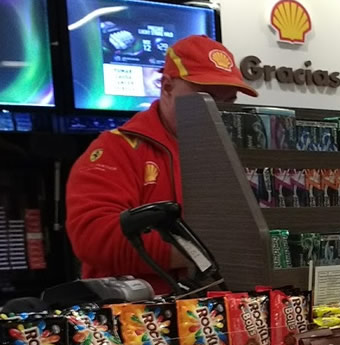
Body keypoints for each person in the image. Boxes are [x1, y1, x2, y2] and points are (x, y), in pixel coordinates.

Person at [66, 35, 257, 294]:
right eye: (208, 99)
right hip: (137, 314)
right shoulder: (116, 149)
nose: (219, 111)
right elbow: (93, 238)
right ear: (167, 87)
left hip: (223, 307)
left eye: (228, 102)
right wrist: (202, 250)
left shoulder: (237, 149)